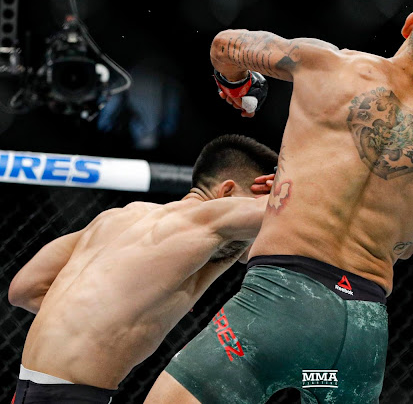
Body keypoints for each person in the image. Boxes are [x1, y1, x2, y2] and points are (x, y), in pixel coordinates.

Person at [146, 0, 413, 404]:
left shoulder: (326, 63)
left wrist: (236, 82)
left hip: (279, 305)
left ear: (409, 25)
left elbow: (225, 45)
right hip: (358, 343)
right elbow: (405, 248)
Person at [8, 135, 278, 403]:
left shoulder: (113, 218)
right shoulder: (205, 220)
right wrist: (289, 180)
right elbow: (284, 211)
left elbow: (24, 289)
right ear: (226, 192)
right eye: (250, 203)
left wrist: (101, 320)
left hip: (29, 390)